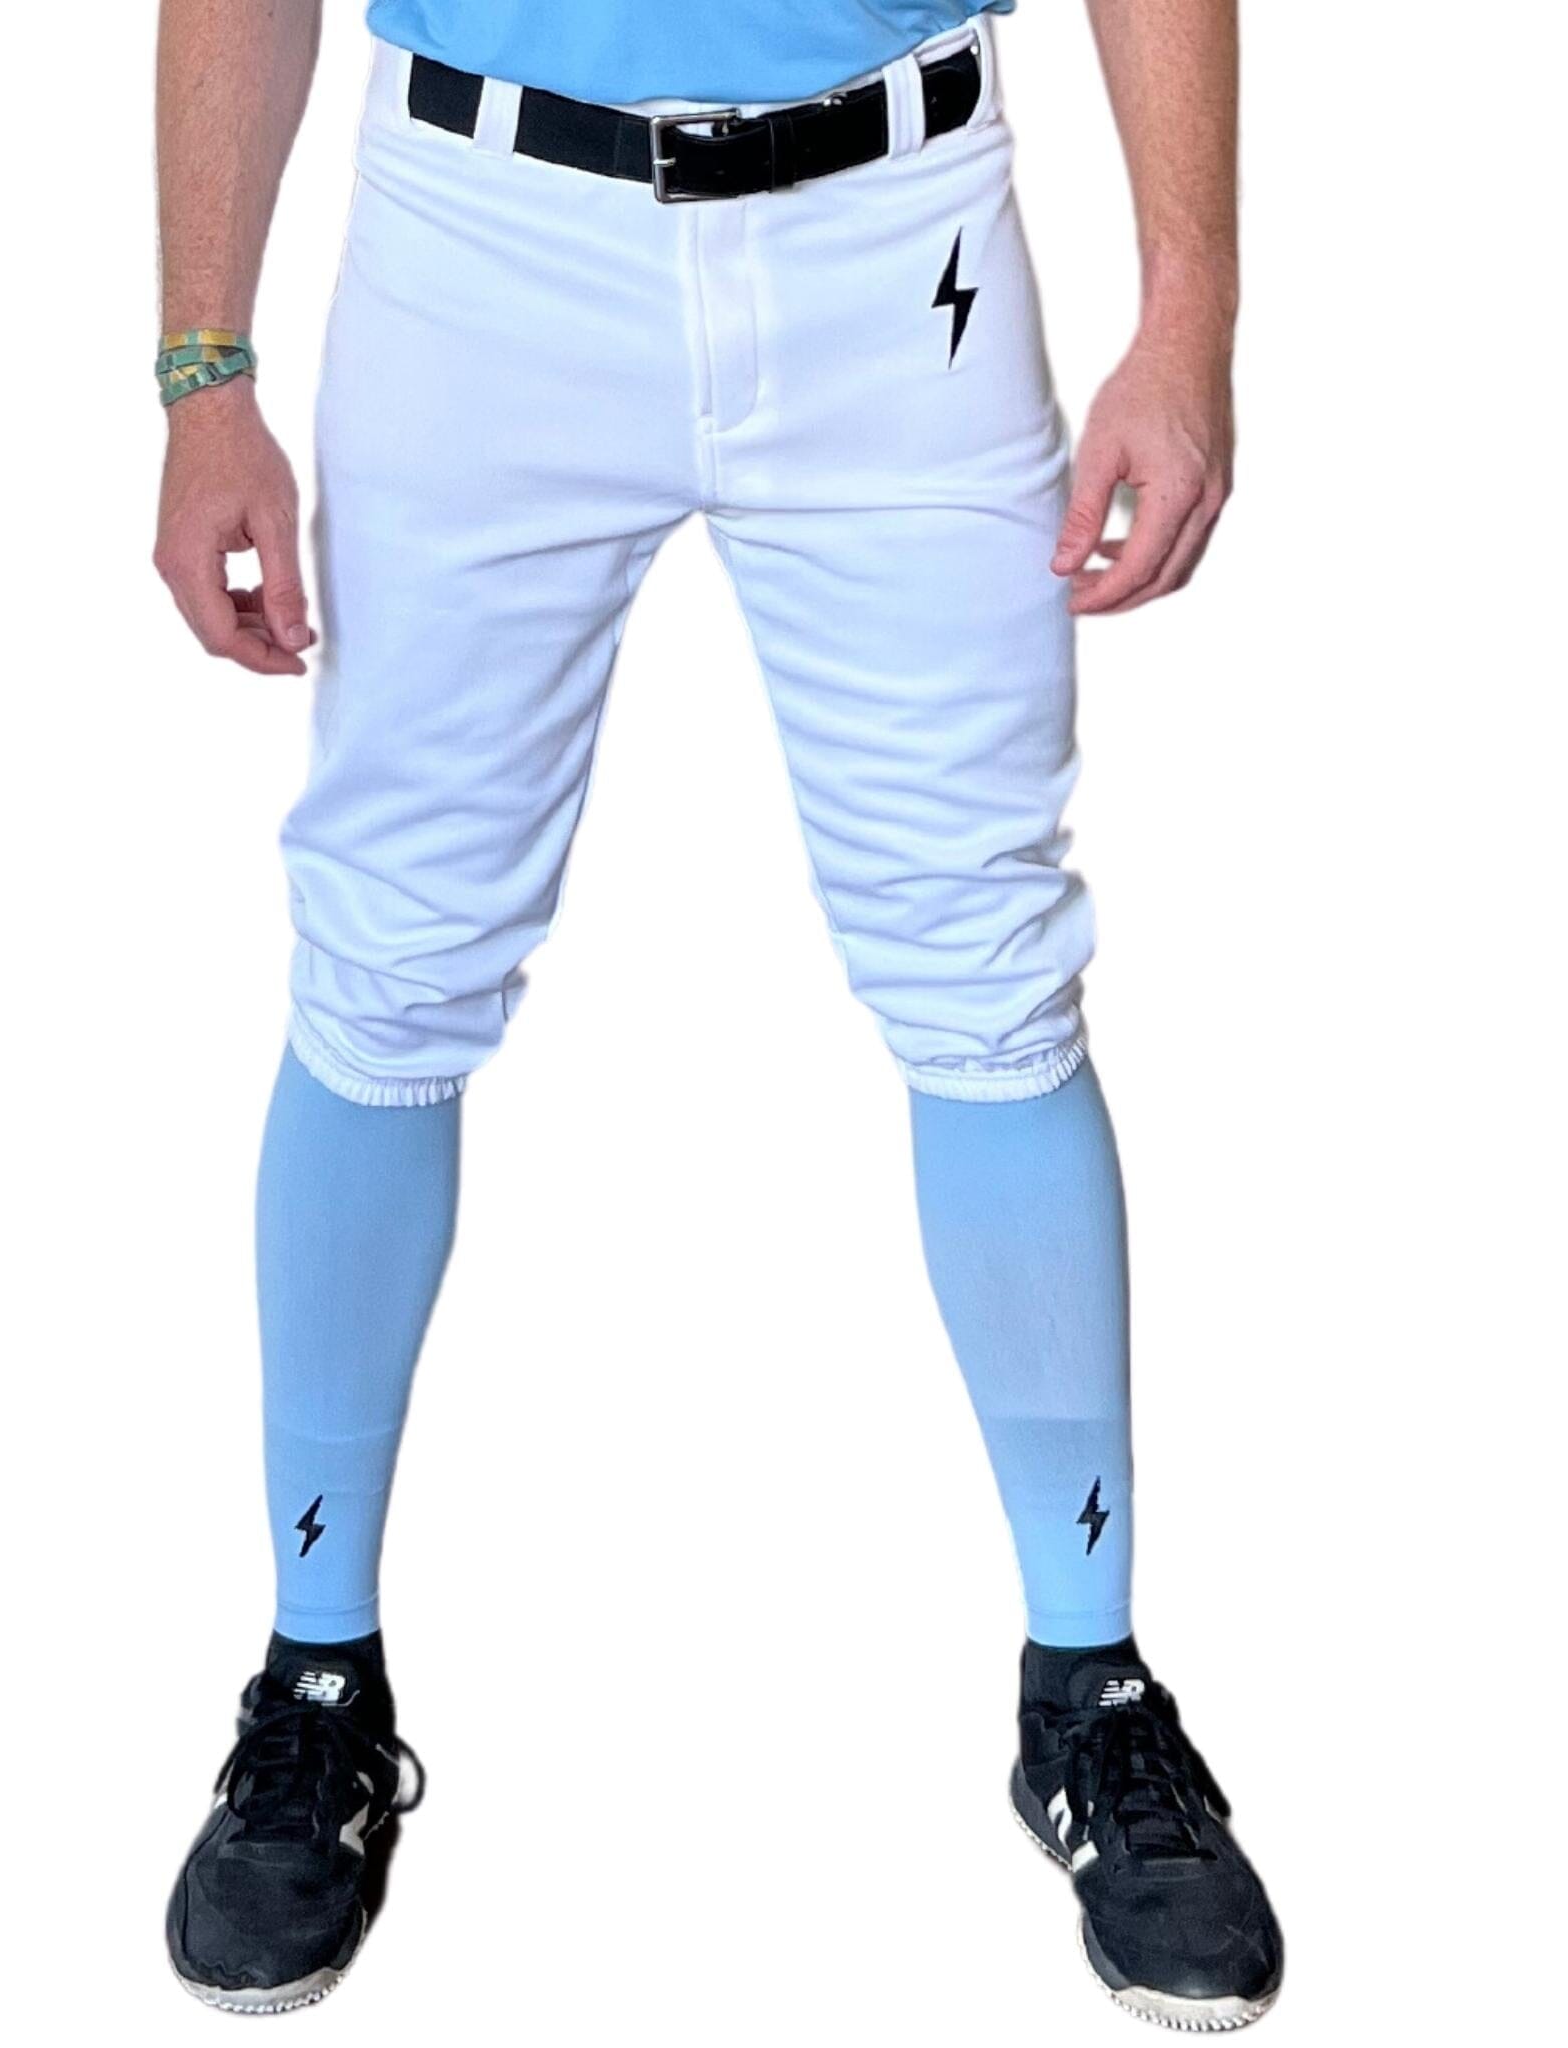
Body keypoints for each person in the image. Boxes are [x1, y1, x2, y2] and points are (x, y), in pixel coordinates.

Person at [154, 0, 1281, 2027]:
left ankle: (1090, 1680)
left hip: (899, 238)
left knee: (985, 968)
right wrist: (201, 370)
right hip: (481, 238)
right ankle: (316, 1677)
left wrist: (1186, 315)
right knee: (387, 968)